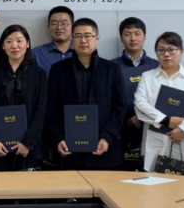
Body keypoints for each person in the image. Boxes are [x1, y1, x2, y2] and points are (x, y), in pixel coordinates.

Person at [46, 18, 126, 170]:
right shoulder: (58, 69)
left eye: (88, 35)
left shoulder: (112, 70)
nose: (83, 40)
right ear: (72, 39)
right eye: (78, 36)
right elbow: (51, 108)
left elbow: (119, 108)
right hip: (68, 151)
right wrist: (58, 138)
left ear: (97, 38)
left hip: (104, 151)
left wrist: (107, 137)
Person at [134, 32, 184, 175]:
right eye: (161, 50)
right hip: (154, 145)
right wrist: (166, 120)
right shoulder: (148, 77)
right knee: (153, 187)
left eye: (172, 50)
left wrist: (183, 130)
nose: (166, 54)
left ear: (181, 51)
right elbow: (140, 104)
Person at [0, 25, 47, 171]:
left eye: (19, 41)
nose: (14, 45)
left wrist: (28, 143)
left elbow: (41, 111)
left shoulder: (39, 74)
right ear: (2, 46)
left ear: (28, 43)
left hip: (29, 149)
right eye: (9, 41)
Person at [116, 17, 159, 171]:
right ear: (121, 38)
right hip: (120, 130)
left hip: (151, 129)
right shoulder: (111, 66)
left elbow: (162, 99)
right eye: (127, 34)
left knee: (150, 176)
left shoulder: (157, 66)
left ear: (144, 37)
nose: (132, 38)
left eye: (137, 33)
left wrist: (141, 117)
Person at [32, 6, 75, 75]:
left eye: (63, 23)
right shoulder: (35, 54)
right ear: (48, 27)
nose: (59, 27)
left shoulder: (83, 53)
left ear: (73, 27)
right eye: (54, 23)